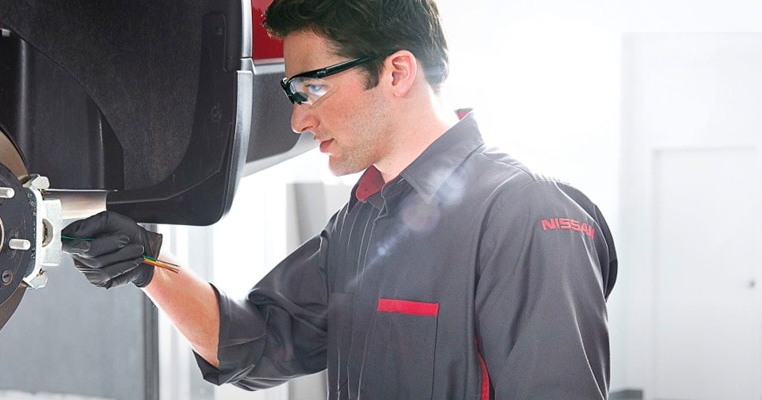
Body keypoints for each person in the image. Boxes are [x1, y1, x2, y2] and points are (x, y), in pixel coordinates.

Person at [61, 0, 618, 398]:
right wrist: (147, 265)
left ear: (397, 71)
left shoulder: (527, 215)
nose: (300, 120)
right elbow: (258, 343)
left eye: (313, 89)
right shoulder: (361, 223)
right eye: (292, 93)